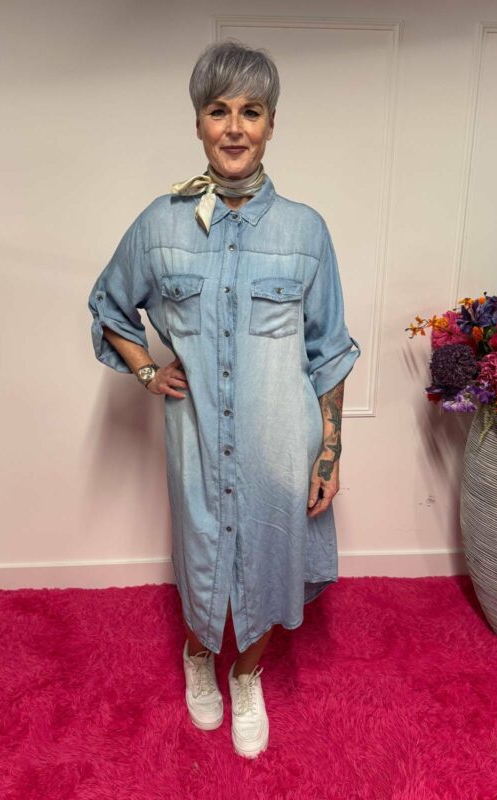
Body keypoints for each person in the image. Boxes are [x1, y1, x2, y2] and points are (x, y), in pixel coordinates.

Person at [87, 40, 361, 760]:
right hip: (198, 436)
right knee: (202, 554)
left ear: (270, 124)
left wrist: (330, 451)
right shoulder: (161, 223)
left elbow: (330, 349)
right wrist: (149, 372)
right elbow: (111, 307)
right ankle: (197, 657)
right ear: (199, 123)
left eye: (251, 111)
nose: (234, 127)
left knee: (271, 557)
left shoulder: (306, 230)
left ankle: (247, 674)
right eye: (219, 111)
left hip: (281, 437)